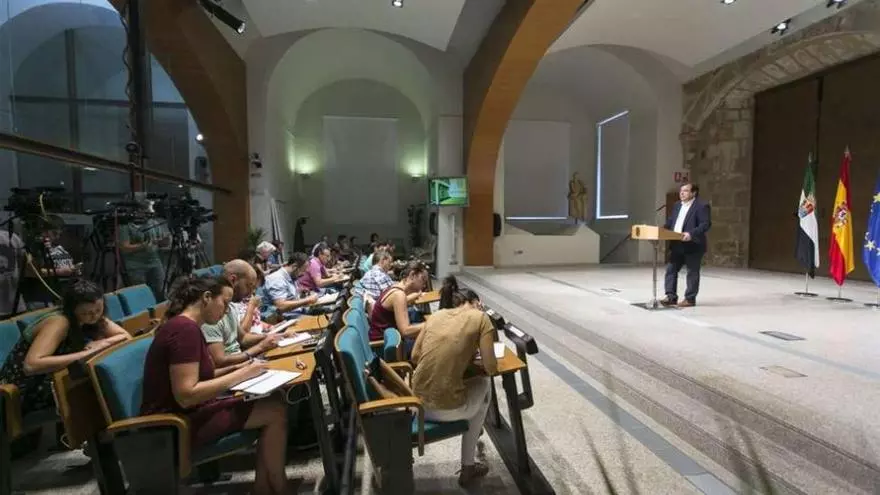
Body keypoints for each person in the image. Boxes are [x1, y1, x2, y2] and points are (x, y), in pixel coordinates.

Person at [141, 275, 289, 494]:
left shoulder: (187, 326)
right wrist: (241, 374)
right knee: (274, 410)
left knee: (273, 401)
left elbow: (203, 376)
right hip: (176, 426)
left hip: (186, 414)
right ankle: (279, 487)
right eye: (225, 304)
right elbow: (186, 395)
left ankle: (265, 488)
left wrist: (242, 367)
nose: (227, 311)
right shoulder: (184, 330)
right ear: (207, 298)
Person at [411, 277, 496, 486]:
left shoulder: (436, 315)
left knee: (470, 391)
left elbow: (414, 356)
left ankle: (474, 432)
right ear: (476, 303)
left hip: (416, 404)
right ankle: (468, 465)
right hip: (445, 409)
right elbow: (491, 367)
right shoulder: (480, 318)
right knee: (484, 385)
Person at [0, 279, 130, 415]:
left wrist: (103, 344)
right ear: (72, 309)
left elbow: (125, 336)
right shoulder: (59, 322)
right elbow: (31, 366)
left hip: (56, 379)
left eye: (98, 310)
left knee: (107, 381)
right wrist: (88, 352)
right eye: (86, 313)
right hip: (24, 391)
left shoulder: (94, 317)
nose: (94, 316)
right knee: (100, 389)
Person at [201, 260, 282, 368]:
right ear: (233, 280)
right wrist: (260, 347)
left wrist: (272, 337)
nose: (251, 293)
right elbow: (220, 361)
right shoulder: (211, 315)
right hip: (234, 368)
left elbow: (243, 338)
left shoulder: (231, 306)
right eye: (249, 286)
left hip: (242, 362)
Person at [661, 183, 711, 307]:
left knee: (692, 272)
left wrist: (691, 234)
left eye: (686, 191)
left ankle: (690, 299)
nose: (682, 193)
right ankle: (671, 297)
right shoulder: (677, 205)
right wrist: (660, 230)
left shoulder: (701, 206)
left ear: (693, 193)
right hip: (677, 243)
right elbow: (671, 221)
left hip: (693, 244)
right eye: (681, 191)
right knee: (671, 270)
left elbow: (705, 224)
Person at [118, 204, 171, 301]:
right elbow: (124, 247)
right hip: (136, 266)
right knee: (141, 295)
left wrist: (165, 240)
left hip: (155, 263)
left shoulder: (153, 223)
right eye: (143, 210)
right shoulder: (125, 225)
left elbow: (162, 244)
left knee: (161, 291)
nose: (146, 213)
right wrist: (143, 245)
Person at [368, 260, 428, 341]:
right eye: (423, 280)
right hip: (384, 344)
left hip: (387, 339)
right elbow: (405, 331)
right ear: (412, 275)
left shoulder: (394, 288)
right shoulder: (399, 295)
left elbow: (402, 302)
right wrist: (432, 323)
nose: (424, 285)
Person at [264, 252, 319, 319]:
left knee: (326, 311)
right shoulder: (277, 279)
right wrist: (307, 300)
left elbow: (289, 296)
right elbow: (281, 306)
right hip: (285, 317)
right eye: (303, 270)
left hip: (297, 311)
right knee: (318, 320)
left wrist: (300, 292)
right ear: (294, 266)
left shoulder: (292, 276)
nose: (304, 274)